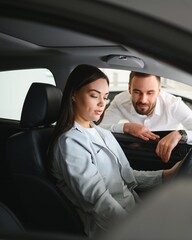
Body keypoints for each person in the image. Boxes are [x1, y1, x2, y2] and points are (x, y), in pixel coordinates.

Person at [47, 65, 179, 237]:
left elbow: (128, 176)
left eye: (106, 97)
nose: (102, 103)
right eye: (94, 95)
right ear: (74, 94)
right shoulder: (69, 143)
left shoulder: (102, 132)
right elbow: (98, 201)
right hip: (110, 227)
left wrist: (167, 174)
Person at [100, 71, 192, 162]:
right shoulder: (120, 101)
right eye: (137, 92)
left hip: (170, 159)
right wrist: (126, 127)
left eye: (150, 93)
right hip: (134, 158)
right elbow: (98, 129)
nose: (143, 99)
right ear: (129, 89)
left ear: (159, 91)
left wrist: (180, 134)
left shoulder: (173, 104)